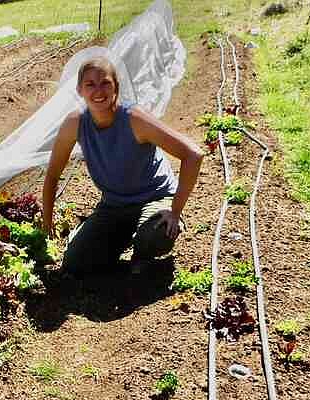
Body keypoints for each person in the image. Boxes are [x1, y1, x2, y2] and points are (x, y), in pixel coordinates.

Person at [41, 56, 204, 276]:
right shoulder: (75, 124)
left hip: (154, 198)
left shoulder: (134, 119)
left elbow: (193, 155)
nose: (98, 90)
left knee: (155, 236)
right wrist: (47, 222)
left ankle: (142, 254)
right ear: (79, 90)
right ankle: (123, 239)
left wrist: (175, 212)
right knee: (75, 262)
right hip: (114, 205)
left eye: (105, 83)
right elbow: (52, 175)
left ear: (116, 87)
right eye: (90, 84)